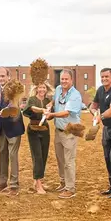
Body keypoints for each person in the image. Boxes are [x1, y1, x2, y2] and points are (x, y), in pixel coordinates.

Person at [45, 69, 82, 199]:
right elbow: (54, 101)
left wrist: (52, 114)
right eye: (62, 79)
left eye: (66, 79)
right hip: (58, 131)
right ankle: (63, 182)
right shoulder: (59, 89)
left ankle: (70, 188)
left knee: (69, 161)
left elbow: (67, 112)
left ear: (71, 80)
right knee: (60, 159)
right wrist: (50, 105)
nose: (64, 81)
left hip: (70, 131)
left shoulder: (75, 95)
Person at [0, 67, 25, 196]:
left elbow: (15, 104)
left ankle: (14, 185)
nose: (0, 79)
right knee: (2, 155)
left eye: (3, 76)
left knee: (12, 156)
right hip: (2, 127)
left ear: (8, 77)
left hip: (13, 127)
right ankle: (2, 182)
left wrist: (6, 110)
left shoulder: (14, 88)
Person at [89, 68, 111, 199]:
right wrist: (94, 112)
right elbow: (93, 105)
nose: (104, 79)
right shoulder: (100, 90)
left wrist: (100, 117)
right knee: (107, 158)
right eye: (102, 77)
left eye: (107, 76)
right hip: (107, 129)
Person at [23, 82, 54, 194]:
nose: (42, 89)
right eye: (40, 87)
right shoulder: (32, 99)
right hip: (33, 129)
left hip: (45, 129)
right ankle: (38, 185)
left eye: (44, 87)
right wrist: (42, 110)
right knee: (37, 156)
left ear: (46, 89)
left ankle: (38, 181)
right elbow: (32, 108)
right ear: (36, 89)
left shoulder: (47, 101)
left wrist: (49, 111)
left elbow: (50, 116)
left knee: (44, 155)